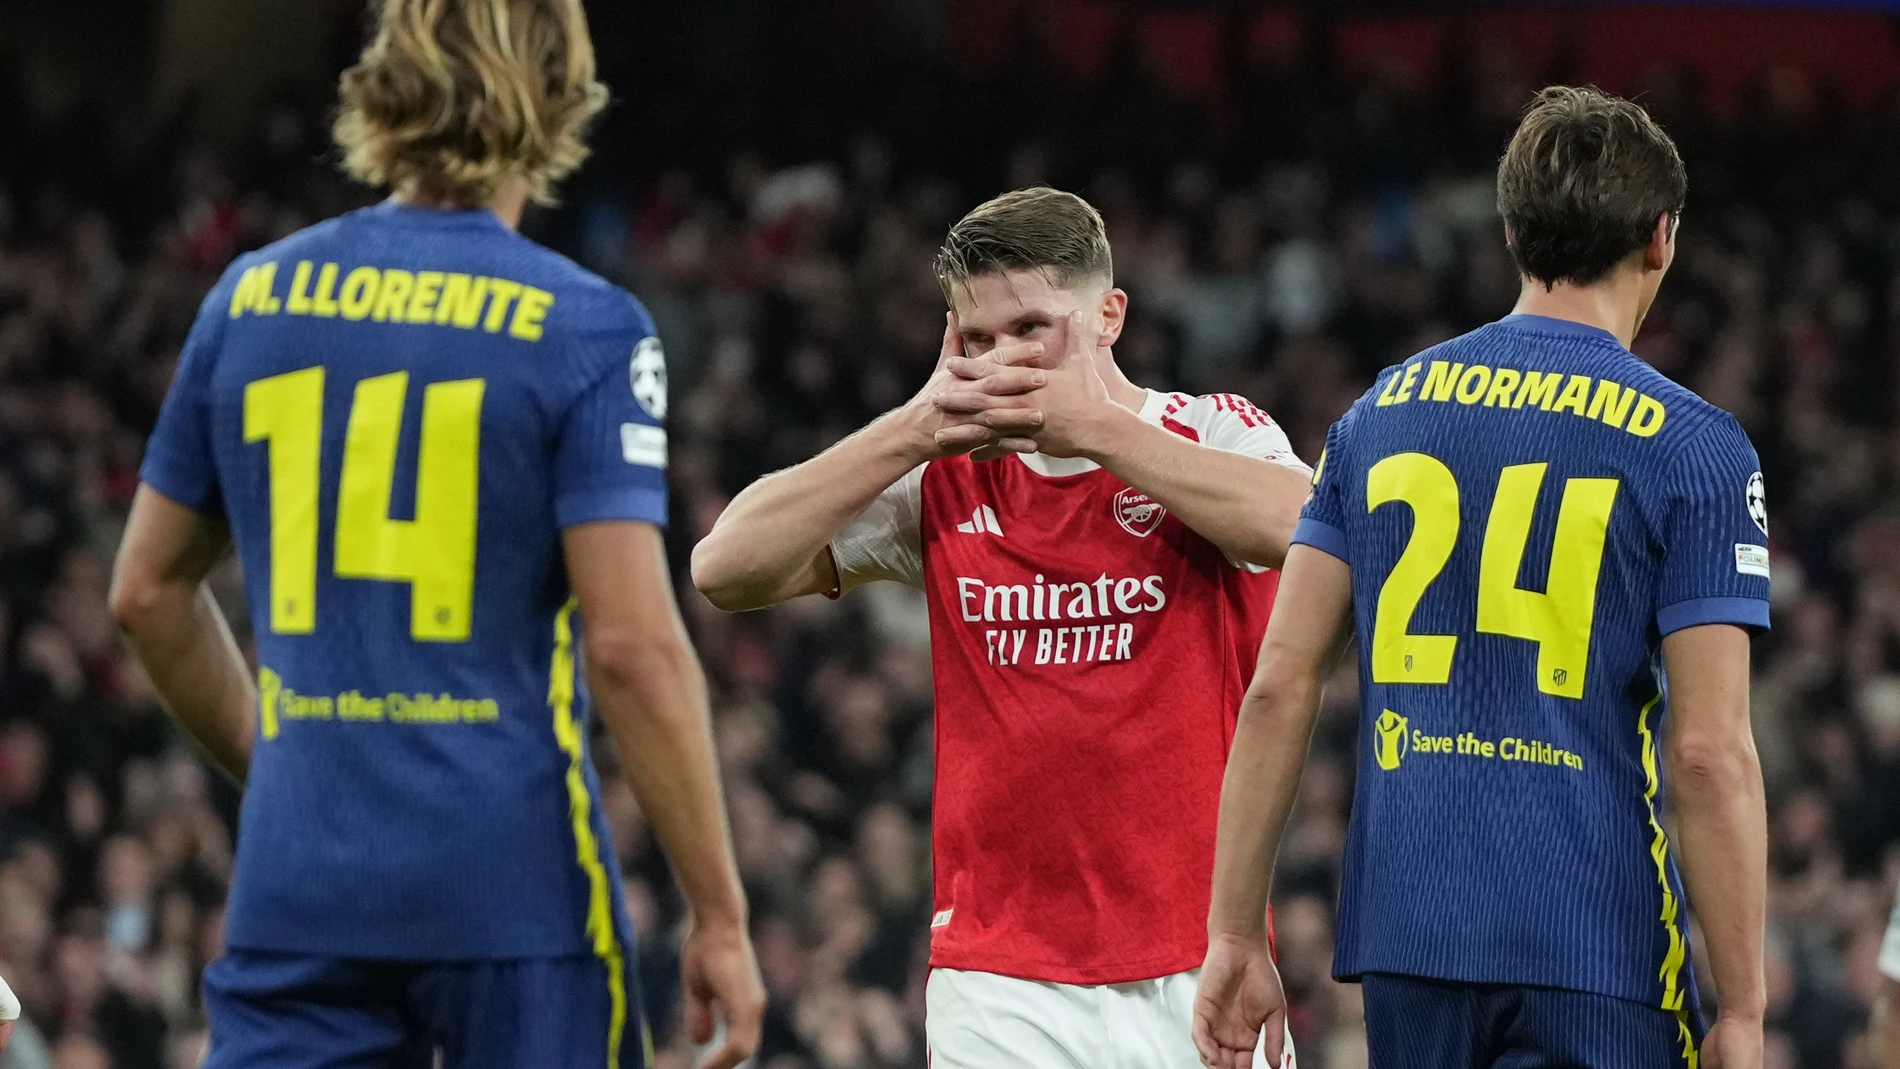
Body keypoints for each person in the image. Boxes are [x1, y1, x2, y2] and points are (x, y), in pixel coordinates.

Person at [107, 1, 764, 1066]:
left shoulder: (249, 298)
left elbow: (143, 593)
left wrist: (276, 760)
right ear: (558, 94)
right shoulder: (585, 326)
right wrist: (721, 915)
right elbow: (633, 649)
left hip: (298, 885)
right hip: (512, 892)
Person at [1194, 86, 1769, 1069]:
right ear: (1660, 238)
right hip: (1596, 946)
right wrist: (1746, 1005)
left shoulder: (1378, 415)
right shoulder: (1696, 449)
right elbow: (1708, 753)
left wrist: (1233, 932)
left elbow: (1279, 685)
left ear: (1510, 232)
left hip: (1408, 937)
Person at [691, 186, 1311, 1068]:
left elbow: (1299, 522)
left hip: (1195, 964)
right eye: (974, 340)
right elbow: (724, 567)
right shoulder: (945, 479)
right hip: (998, 980)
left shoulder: (1210, 430)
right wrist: (913, 427)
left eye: (1030, 329)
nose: (1001, 361)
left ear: (1109, 315)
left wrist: (1094, 429)